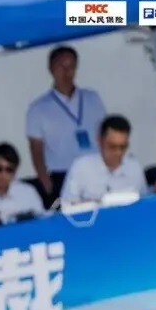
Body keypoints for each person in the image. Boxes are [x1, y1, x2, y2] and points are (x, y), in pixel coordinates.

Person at [25, 46, 107, 205]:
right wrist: (47, 183)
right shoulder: (39, 108)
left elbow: (105, 134)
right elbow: (36, 150)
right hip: (62, 175)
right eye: (61, 67)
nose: (67, 72)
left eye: (71, 67)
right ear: (51, 69)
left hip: (95, 170)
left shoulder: (92, 98)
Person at [59, 115, 148, 204]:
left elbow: (145, 202)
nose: (118, 152)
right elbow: (67, 205)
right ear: (99, 141)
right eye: (112, 146)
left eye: (123, 147)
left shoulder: (134, 167)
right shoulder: (81, 167)